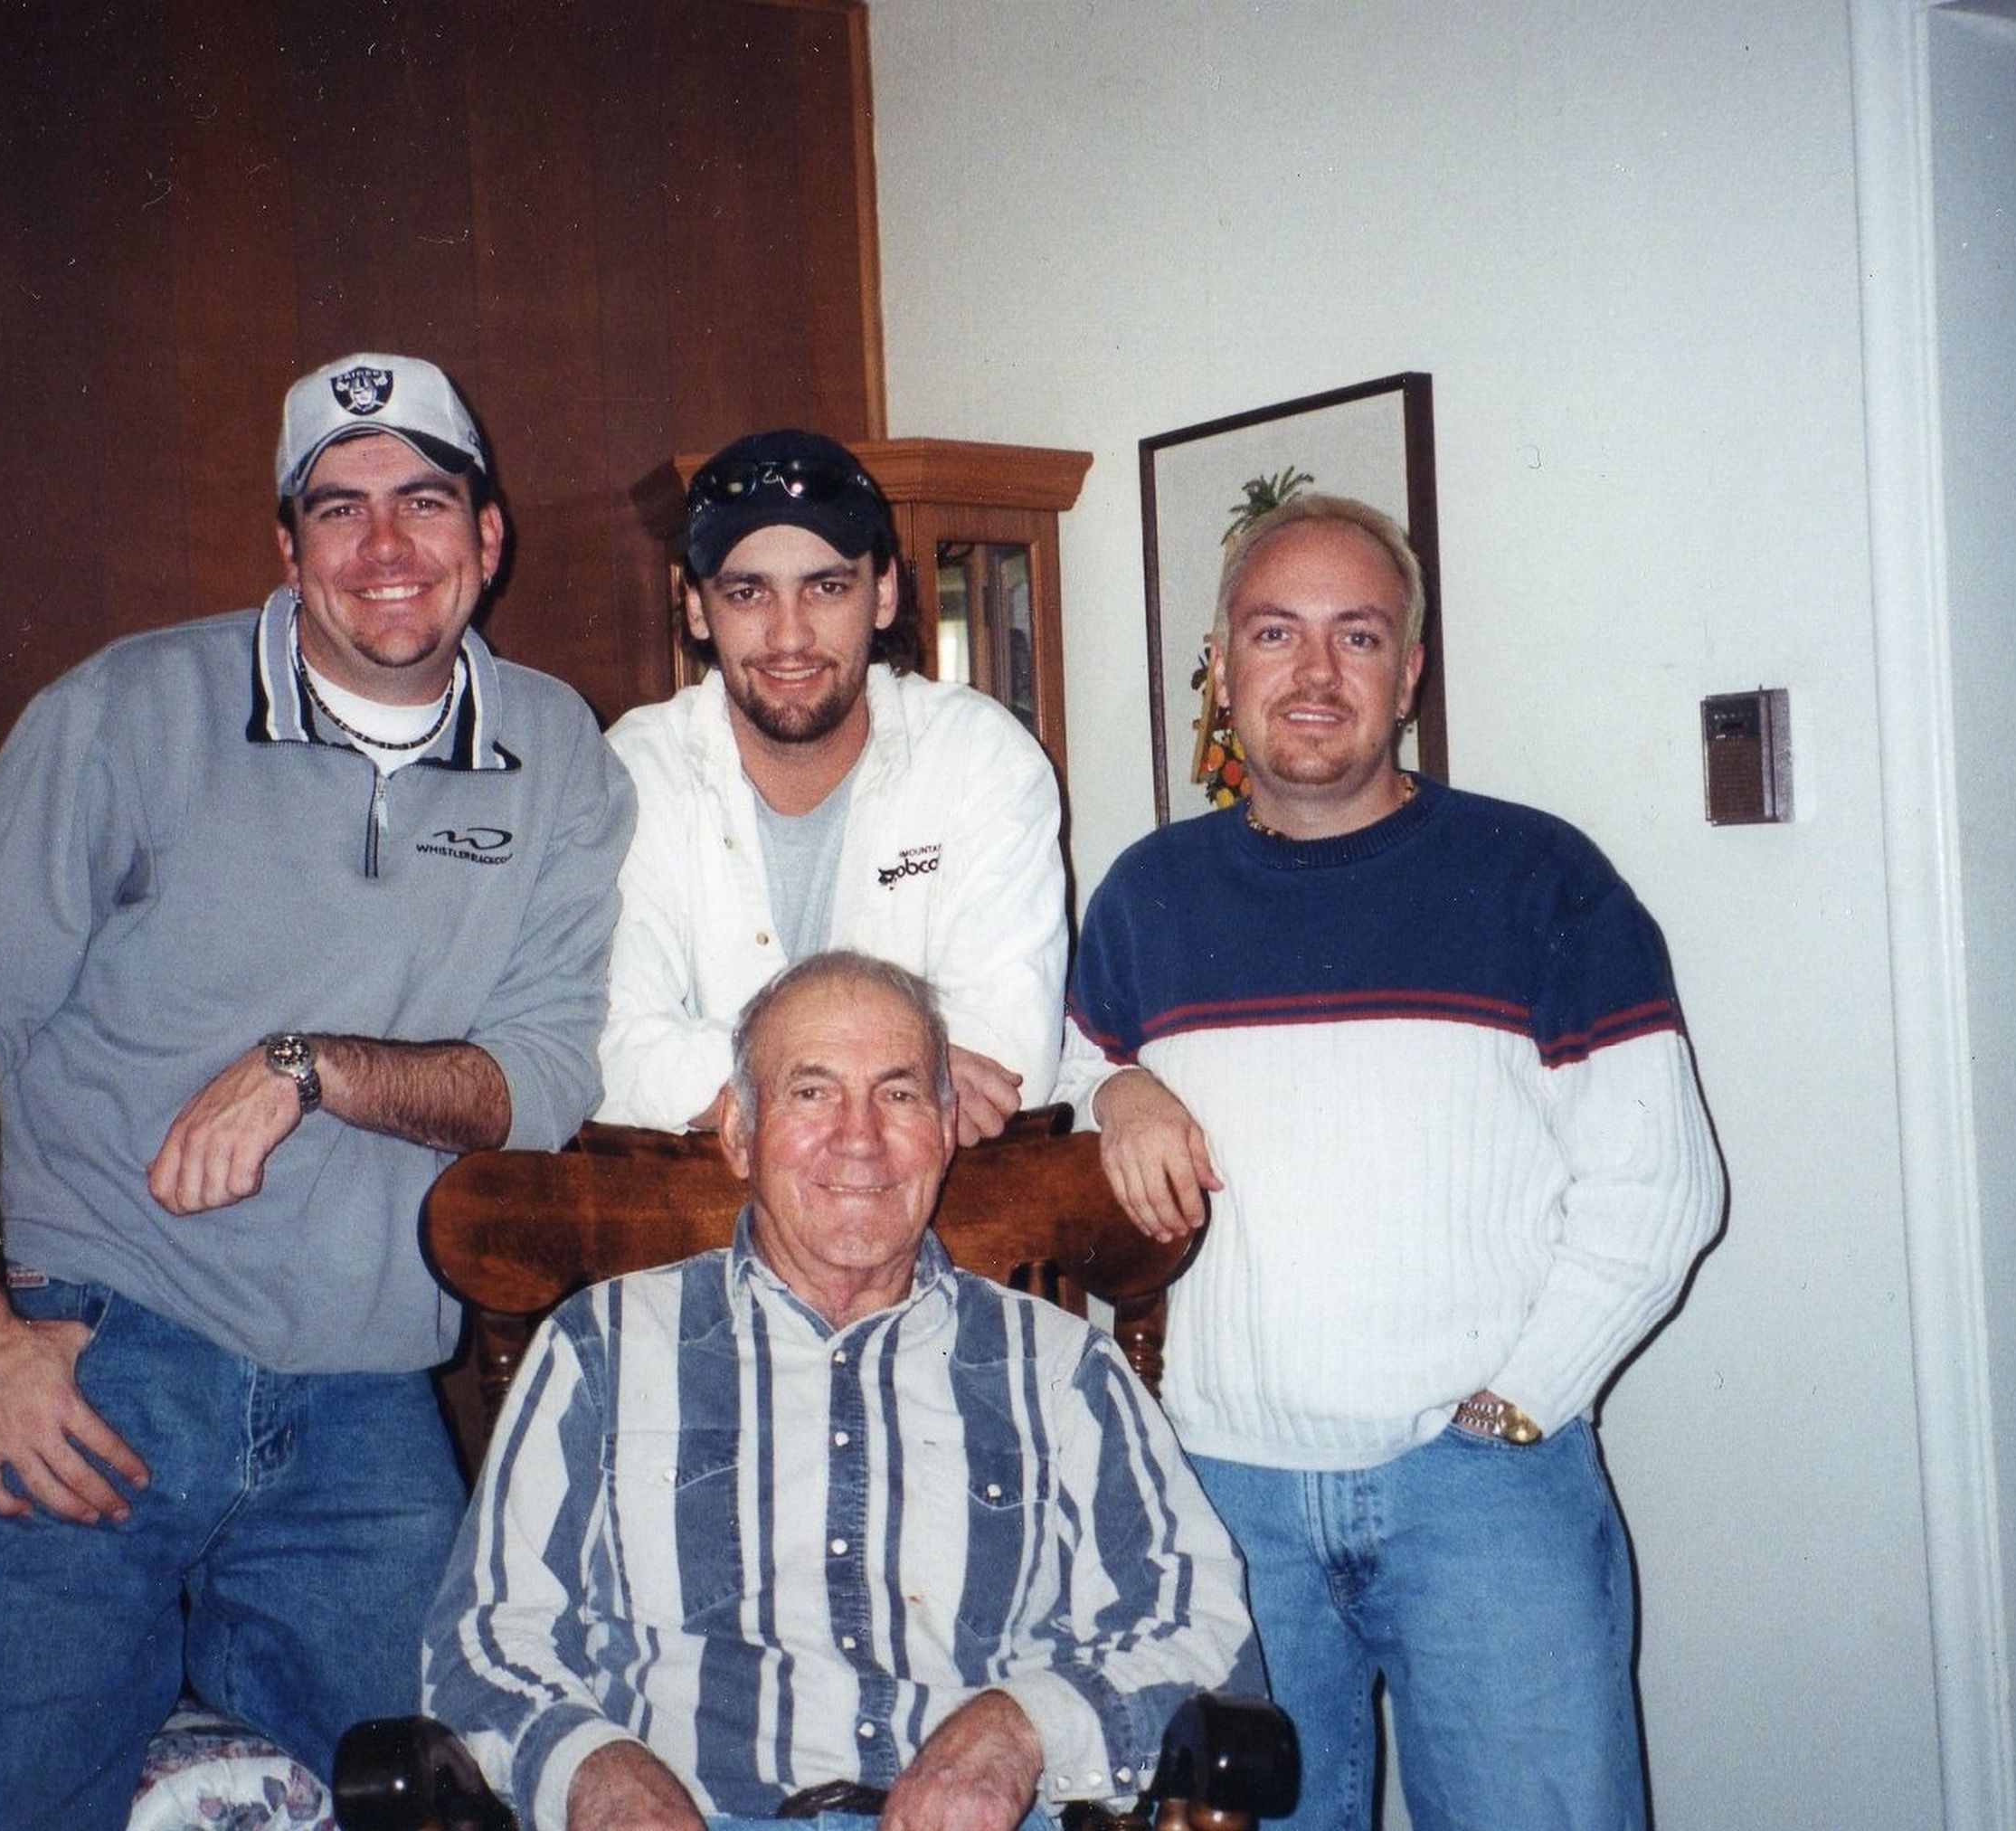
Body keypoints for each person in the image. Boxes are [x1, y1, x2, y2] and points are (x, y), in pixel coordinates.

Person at [0, 352, 635, 1828]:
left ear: (490, 535)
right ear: (288, 550)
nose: (386, 546)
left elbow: (538, 1077)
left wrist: (314, 1064)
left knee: (473, 1791)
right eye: (337, 509)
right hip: (96, 1353)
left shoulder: (560, 756)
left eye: (426, 499)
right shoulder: (129, 709)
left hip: (361, 1395)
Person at [1060, 493, 1724, 1829]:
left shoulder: (1542, 878)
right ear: (1222, 664)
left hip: (1482, 1494)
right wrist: (1118, 1085)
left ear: (1410, 671)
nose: (1313, 675)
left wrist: (1517, 1406)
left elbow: (1663, 1189)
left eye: (1357, 637)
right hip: (1220, 1503)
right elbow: (1070, 1093)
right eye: (1275, 634)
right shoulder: (1146, 895)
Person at [427, 950, 1260, 1831]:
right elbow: (483, 1641)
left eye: (898, 1093)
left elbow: (1203, 1634)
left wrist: (1018, 1727)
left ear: (944, 1127)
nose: (859, 1136)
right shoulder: (601, 1346)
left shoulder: (1061, 1370)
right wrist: (599, 1773)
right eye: (811, 1091)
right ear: (740, 1133)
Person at [596, 430, 1065, 1145]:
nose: (790, 636)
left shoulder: (980, 759)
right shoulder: (635, 771)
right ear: (697, 608)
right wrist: (902, 1079)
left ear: (882, 593)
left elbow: (1009, 1056)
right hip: (697, 1220)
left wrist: (732, 1083)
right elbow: (609, 1055)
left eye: (827, 587)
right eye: (748, 591)